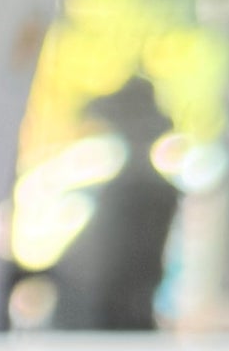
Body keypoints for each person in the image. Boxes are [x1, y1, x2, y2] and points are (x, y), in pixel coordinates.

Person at [50, 75, 180, 331]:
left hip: (113, 317)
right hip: (105, 313)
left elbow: (119, 267)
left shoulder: (145, 191)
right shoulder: (127, 187)